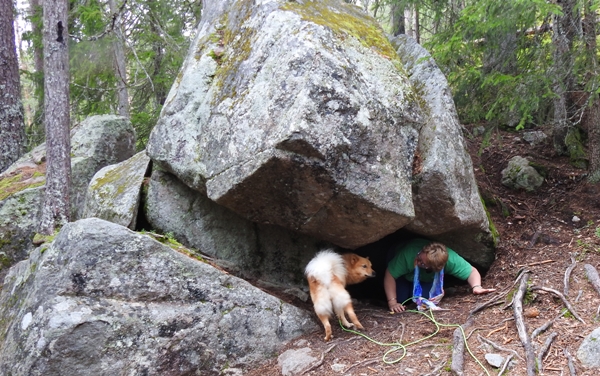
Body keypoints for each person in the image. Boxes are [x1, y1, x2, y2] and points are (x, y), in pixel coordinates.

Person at [384, 238, 496, 312]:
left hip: (425, 278)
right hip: (401, 269)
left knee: (425, 299)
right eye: (419, 258)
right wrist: (392, 302)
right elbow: (390, 275)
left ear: (433, 268)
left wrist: (476, 287)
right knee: (401, 299)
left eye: (422, 263)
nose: (418, 261)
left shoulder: (450, 260)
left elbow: (471, 271)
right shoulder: (408, 254)